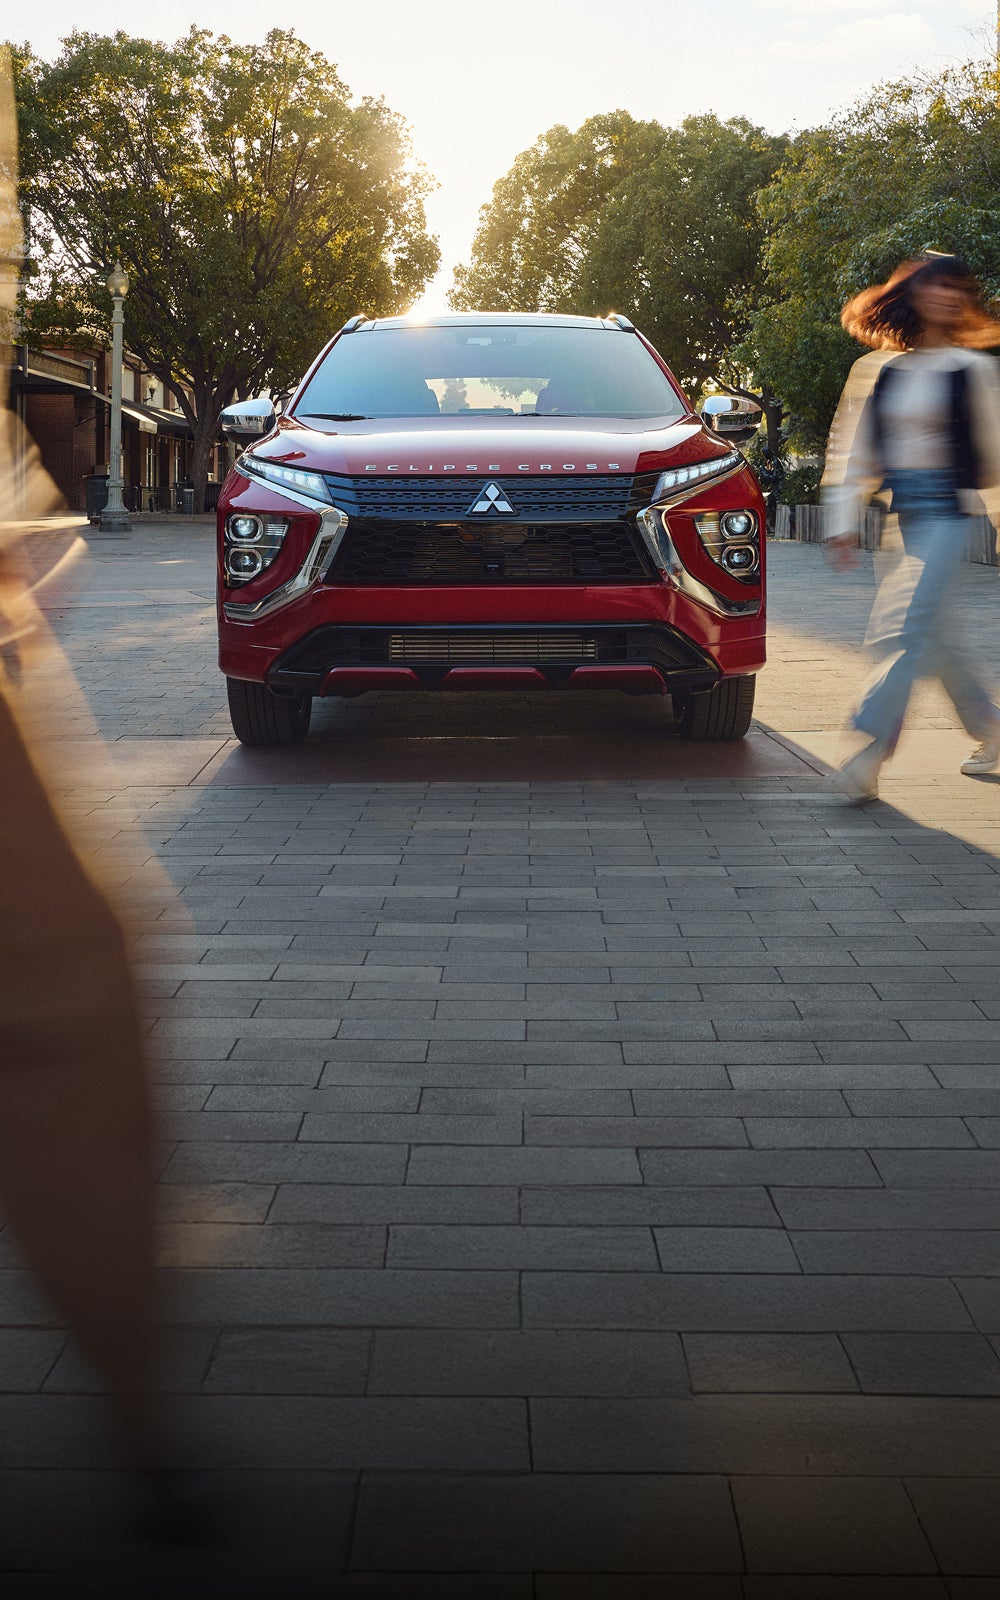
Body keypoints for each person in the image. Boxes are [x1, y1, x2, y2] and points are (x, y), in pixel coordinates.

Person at [822, 252, 1000, 801]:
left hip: (950, 516)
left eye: (958, 289)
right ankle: (993, 731)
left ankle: (870, 753)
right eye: (939, 286)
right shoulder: (881, 369)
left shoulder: (973, 370)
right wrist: (843, 519)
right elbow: (856, 453)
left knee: (903, 631)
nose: (949, 297)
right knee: (937, 642)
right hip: (904, 523)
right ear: (915, 293)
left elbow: (994, 460)